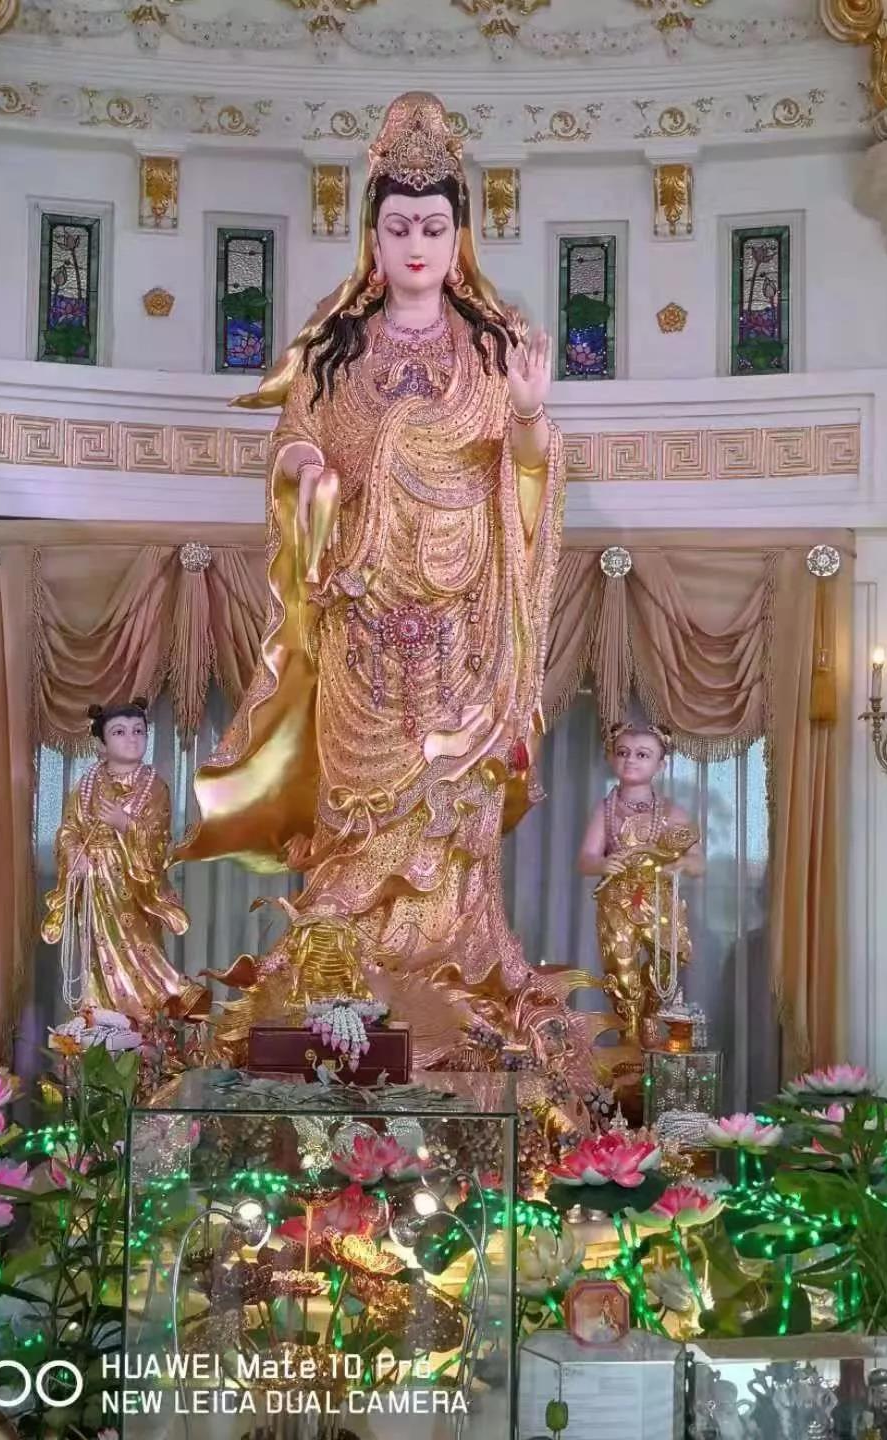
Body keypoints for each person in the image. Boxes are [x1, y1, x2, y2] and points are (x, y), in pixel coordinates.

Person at [178, 93, 604, 1084]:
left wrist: (531, 419)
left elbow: (529, 485)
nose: (416, 244)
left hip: (461, 633)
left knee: (449, 842)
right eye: (399, 225)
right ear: (372, 236)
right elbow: (293, 442)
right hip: (361, 630)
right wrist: (303, 473)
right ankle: (341, 1002)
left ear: (460, 238)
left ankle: (451, 1017)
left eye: (434, 226)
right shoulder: (335, 348)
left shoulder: (492, 350)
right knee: (352, 831)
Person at [42, 699, 189, 1022]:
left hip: (135, 888)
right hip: (95, 886)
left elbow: (159, 839)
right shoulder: (86, 786)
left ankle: (146, 1020)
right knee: (98, 955)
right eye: (119, 732)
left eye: (139, 731)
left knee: (140, 951)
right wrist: (74, 853)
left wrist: (126, 824)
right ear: (102, 743)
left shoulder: (154, 787)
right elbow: (69, 829)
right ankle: (101, 1019)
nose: (132, 738)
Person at [578, 723, 705, 1042]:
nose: (631, 760)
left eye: (642, 754)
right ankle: (629, 1031)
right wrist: (602, 863)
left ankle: (650, 1016)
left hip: (659, 899)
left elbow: (698, 860)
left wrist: (681, 865)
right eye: (623, 752)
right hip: (617, 900)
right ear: (611, 758)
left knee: (667, 961)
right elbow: (585, 859)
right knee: (620, 969)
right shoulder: (606, 810)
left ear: (660, 765)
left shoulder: (672, 813)